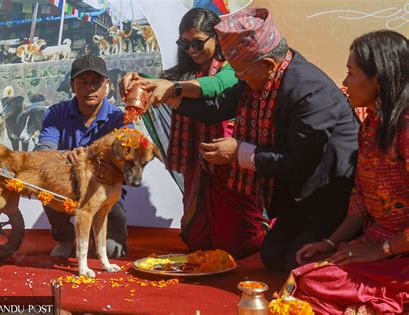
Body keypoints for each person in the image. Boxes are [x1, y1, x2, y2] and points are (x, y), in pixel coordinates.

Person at [170, 6, 360, 270]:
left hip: (327, 196)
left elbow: (298, 163)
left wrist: (239, 152)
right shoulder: (260, 75)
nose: (237, 77)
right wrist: (171, 95)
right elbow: (219, 107)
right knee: (271, 256)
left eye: (240, 71)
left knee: (295, 262)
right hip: (297, 197)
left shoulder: (308, 92)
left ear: (268, 65)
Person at [120, 8, 268, 258]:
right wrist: (136, 79)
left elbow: (215, 86)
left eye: (198, 42)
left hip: (228, 161)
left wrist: (174, 88)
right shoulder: (183, 74)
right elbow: (161, 84)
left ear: (217, 38)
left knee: (238, 239)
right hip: (195, 163)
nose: (191, 50)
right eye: (184, 43)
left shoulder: (233, 67)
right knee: (197, 238)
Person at [281, 30, 409, 314]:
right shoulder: (371, 126)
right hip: (379, 243)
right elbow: (361, 199)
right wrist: (330, 242)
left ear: (378, 78)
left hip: (398, 249)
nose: (345, 82)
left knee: (313, 284)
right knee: (303, 276)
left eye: (351, 73)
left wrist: (385, 249)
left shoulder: (405, 127)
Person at [36, 55, 131, 259]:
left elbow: (129, 157)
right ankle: (65, 238)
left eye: (96, 82)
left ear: (107, 85)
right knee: (45, 182)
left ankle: (102, 238)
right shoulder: (55, 113)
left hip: (105, 193)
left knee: (113, 252)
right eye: (83, 82)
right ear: (72, 85)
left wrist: (87, 157)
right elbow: (43, 152)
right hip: (66, 189)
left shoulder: (119, 119)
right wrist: (64, 156)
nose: (90, 88)